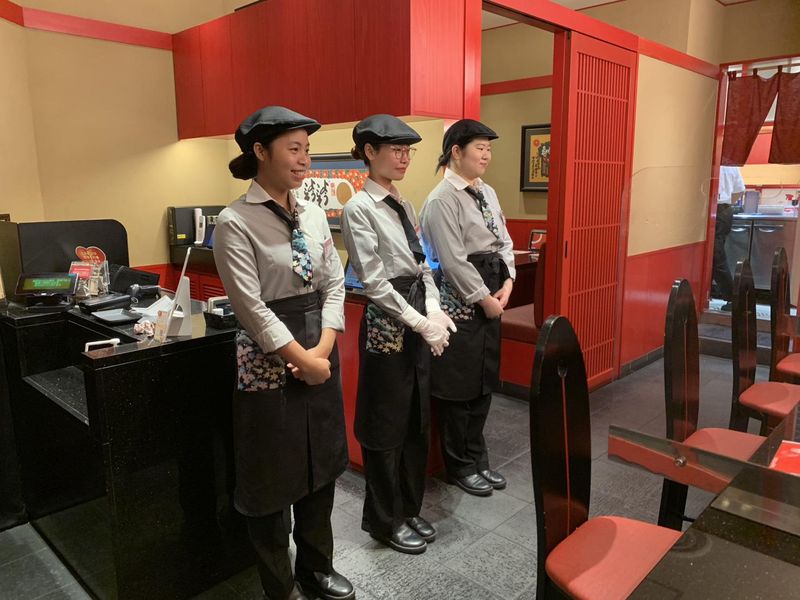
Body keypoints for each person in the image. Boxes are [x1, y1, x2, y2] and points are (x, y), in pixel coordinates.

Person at [214, 106, 354, 600]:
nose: (304, 159)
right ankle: (281, 585)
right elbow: (250, 307)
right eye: (294, 149)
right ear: (260, 151)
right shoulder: (234, 221)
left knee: (321, 464)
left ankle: (317, 568)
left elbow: (334, 283)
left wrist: (323, 350)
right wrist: (302, 358)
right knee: (271, 474)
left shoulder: (312, 213)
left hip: (319, 343)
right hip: (267, 356)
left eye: (307, 150)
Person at [341, 114, 455, 555]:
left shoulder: (404, 204)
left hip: (416, 310)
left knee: (414, 417)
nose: (405, 158)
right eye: (396, 150)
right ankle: (385, 520)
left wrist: (434, 307)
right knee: (385, 422)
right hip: (388, 321)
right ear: (370, 152)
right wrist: (420, 321)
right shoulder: (359, 208)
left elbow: (421, 263)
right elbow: (374, 281)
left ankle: (409, 507)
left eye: (409, 151)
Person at [420, 119, 515, 497]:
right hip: (461, 299)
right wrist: (484, 299)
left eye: (489, 149)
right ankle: (459, 465)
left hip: (493, 289)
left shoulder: (486, 191)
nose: (486, 155)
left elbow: (504, 240)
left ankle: (478, 457)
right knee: (459, 386)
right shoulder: (441, 200)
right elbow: (452, 260)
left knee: (484, 381)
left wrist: (509, 282)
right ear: (456, 152)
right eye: (480, 148)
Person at [714, 166, 746, 311]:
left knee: (716, 257)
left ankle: (733, 299)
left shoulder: (714, 162)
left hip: (717, 209)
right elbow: (740, 190)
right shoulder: (732, 165)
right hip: (725, 211)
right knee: (716, 256)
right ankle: (728, 296)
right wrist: (727, 204)